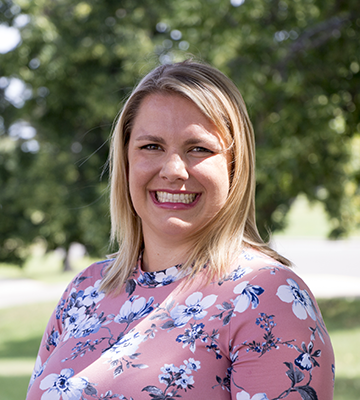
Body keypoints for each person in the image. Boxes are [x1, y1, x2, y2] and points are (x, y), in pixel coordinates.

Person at [26, 60, 334, 400]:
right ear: (126, 160)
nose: (173, 170)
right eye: (151, 146)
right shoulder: (84, 292)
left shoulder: (268, 298)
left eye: (198, 149)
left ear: (234, 167)